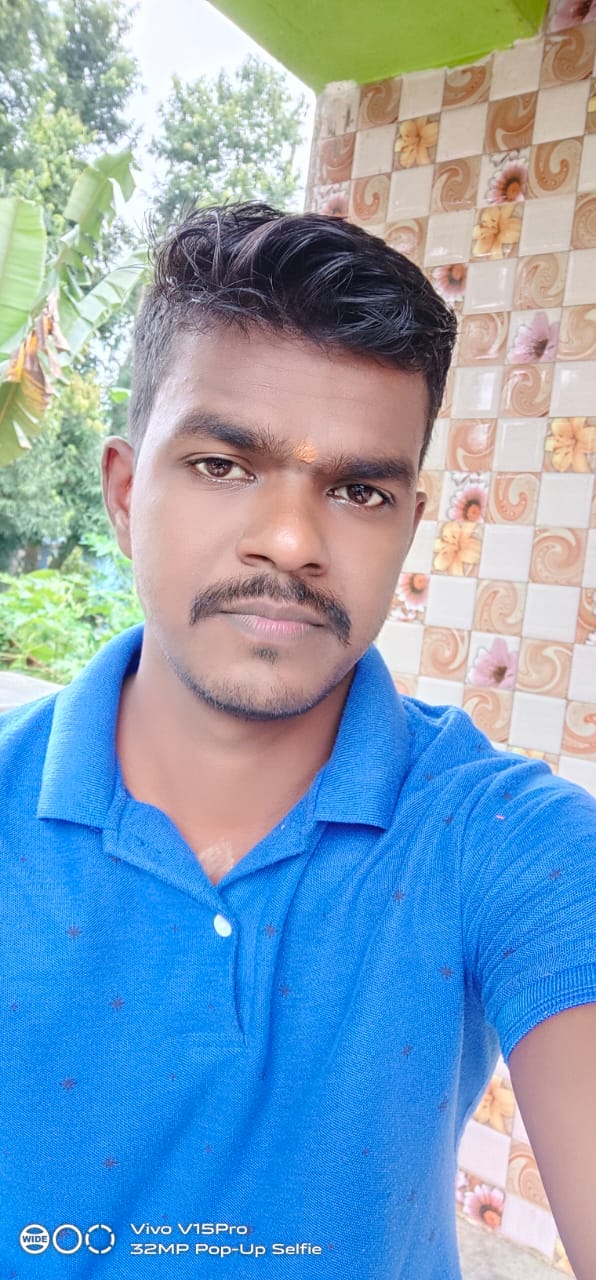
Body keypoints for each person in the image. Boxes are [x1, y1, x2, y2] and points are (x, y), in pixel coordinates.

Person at [1, 203, 594, 1279]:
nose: (289, 541)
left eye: (358, 490)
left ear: (406, 528)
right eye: (224, 464)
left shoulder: (507, 840)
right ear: (126, 493)